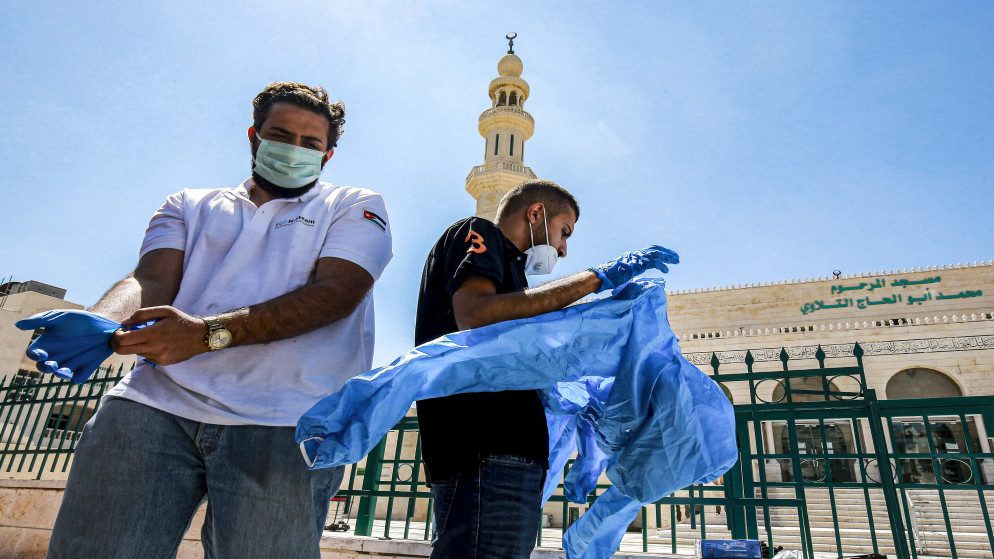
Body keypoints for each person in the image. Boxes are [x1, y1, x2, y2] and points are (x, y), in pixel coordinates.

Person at [46, 82, 393, 559]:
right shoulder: (188, 204)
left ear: (328, 154)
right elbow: (150, 278)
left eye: (310, 142)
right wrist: (100, 320)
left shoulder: (354, 206)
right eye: (280, 134)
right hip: (152, 408)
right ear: (254, 135)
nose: (294, 149)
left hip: (284, 421)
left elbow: (337, 293)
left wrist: (207, 334)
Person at [414, 178, 677, 559]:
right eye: (563, 232)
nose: (564, 249)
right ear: (536, 213)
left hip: (505, 456)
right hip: (484, 450)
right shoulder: (477, 230)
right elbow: (475, 313)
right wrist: (594, 279)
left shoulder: (512, 273)